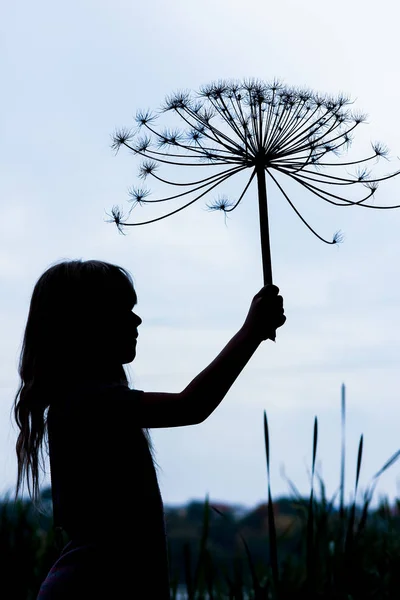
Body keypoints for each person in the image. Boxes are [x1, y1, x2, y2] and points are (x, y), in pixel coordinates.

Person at [13, 258, 286, 599]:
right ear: (87, 324)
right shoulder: (91, 403)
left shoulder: (81, 402)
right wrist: (251, 333)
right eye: (122, 309)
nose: (137, 319)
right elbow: (192, 405)